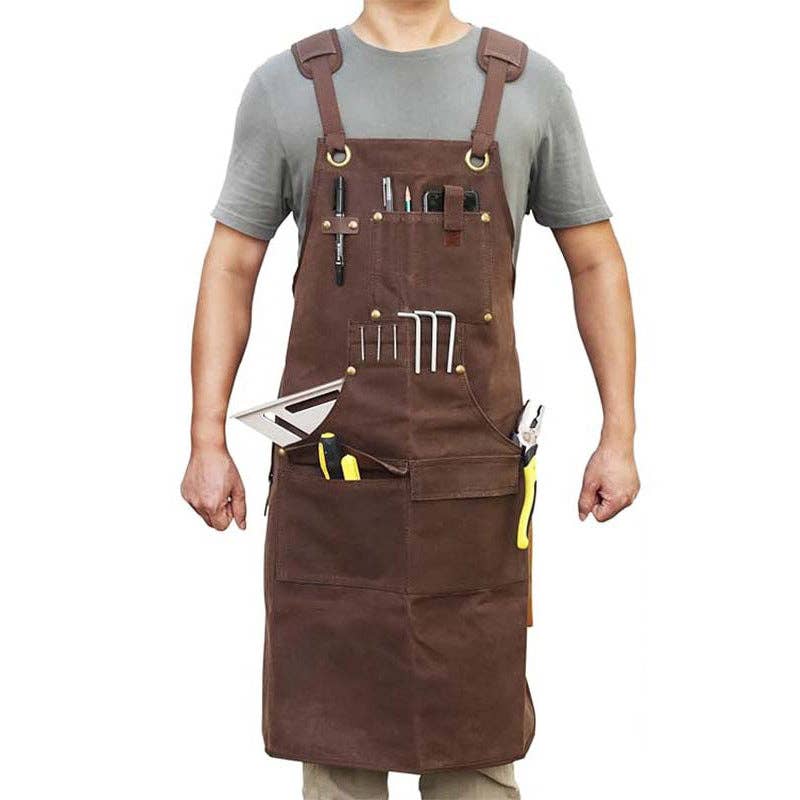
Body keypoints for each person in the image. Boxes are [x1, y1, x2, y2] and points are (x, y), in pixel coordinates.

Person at [181, 1, 640, 798]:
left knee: (474, 754)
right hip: (334, 496)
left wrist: (620, 434)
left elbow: (595, 260)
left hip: (472, 494)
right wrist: (206, 438)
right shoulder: (286, 88)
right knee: (337, 750)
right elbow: (230, 266)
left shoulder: (529, 88)